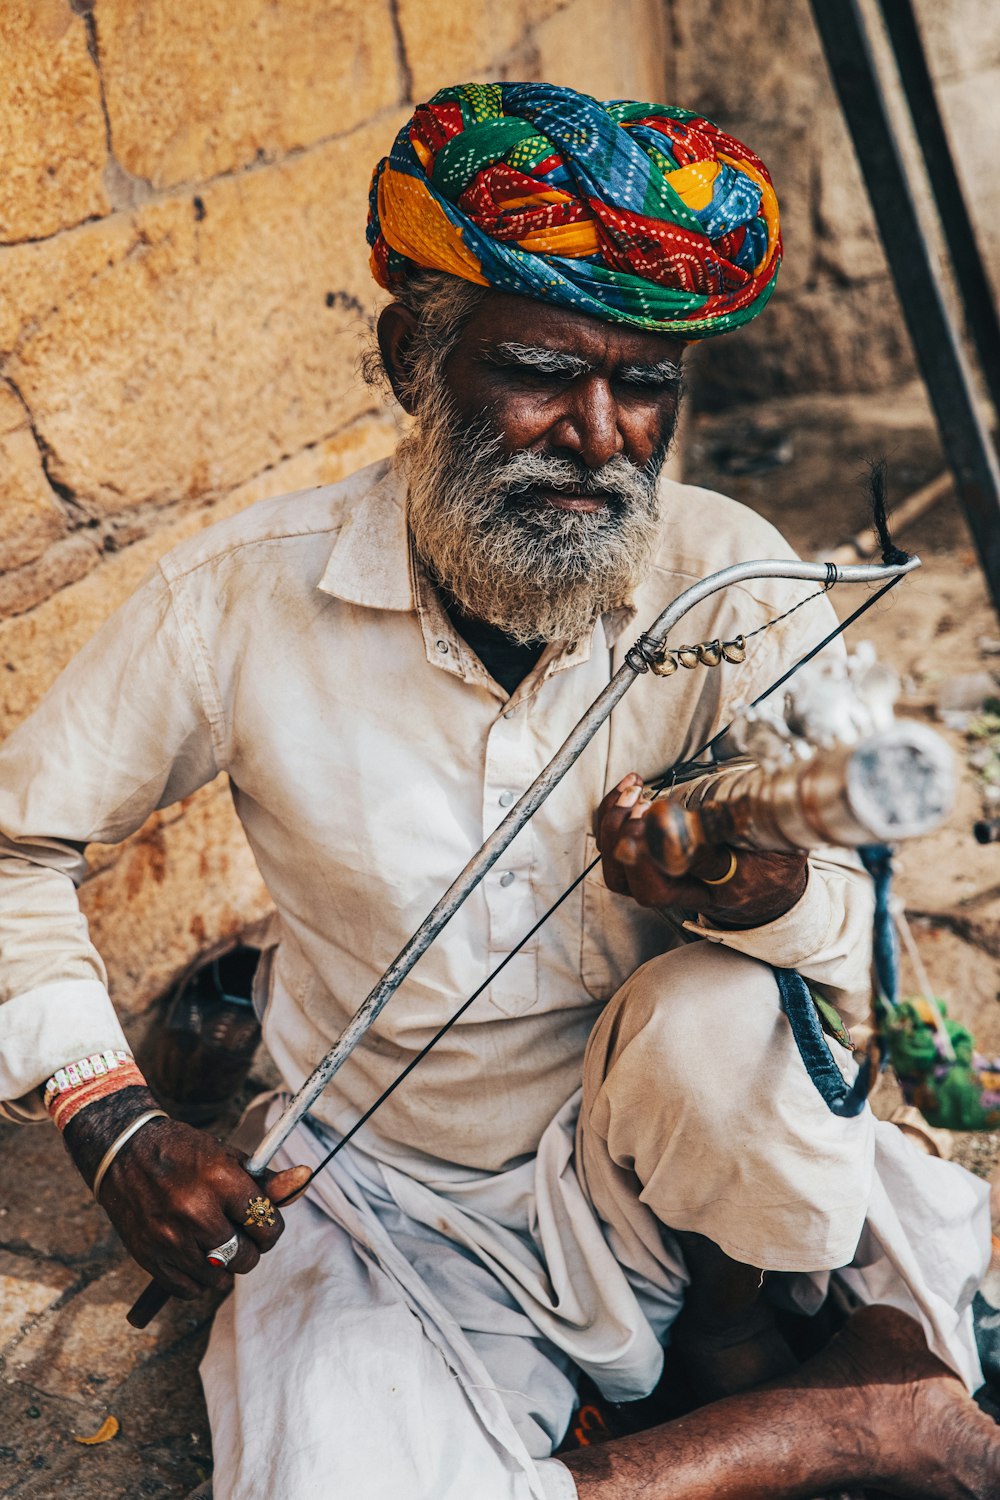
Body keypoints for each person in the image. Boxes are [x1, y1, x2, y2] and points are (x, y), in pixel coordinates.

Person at [0, 81, 996, 1500]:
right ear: (416, 357)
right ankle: (838, 1419)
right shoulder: (233, 601)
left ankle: (727, 1339)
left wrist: (750, 883)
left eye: (645, 385)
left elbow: (854, 941)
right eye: (539, 369)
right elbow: (13, 846)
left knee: (723, 1019)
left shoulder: (732, 574)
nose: (599, 432)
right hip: (382, 1192)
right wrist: (109, 1116)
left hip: (680, 1171)